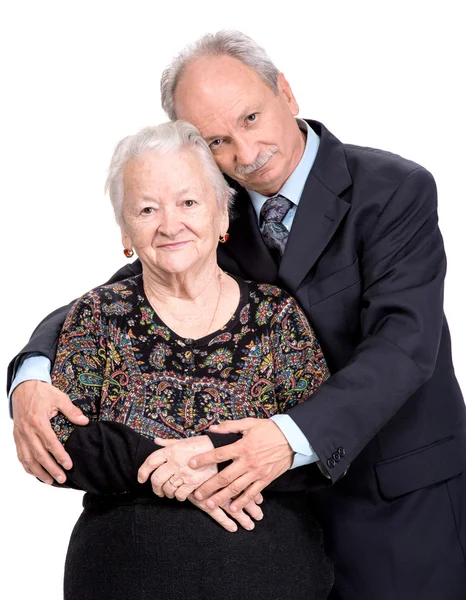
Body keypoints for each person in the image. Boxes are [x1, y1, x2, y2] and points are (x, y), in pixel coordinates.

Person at [8, 30, 466, 600]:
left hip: (391, 499)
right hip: (272, 518)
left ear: (287, 93)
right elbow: (120, 296)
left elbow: (405, 344)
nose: (245, 155)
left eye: (251, 119)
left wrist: (286, 437)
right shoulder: (212, 206)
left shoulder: (394, 190)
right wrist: (32, 371)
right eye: (218, 141)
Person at [36, 119, 333, 600]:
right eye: (147, 209)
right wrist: (157, 462)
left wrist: (211, 458)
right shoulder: (99, 314)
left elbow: (321, 439)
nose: (170, 224)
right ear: (126, 231)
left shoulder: (276, 314)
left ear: (222, 218)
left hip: (271, 576)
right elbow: (63, 439)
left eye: (188, 202)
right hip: (124, 576)